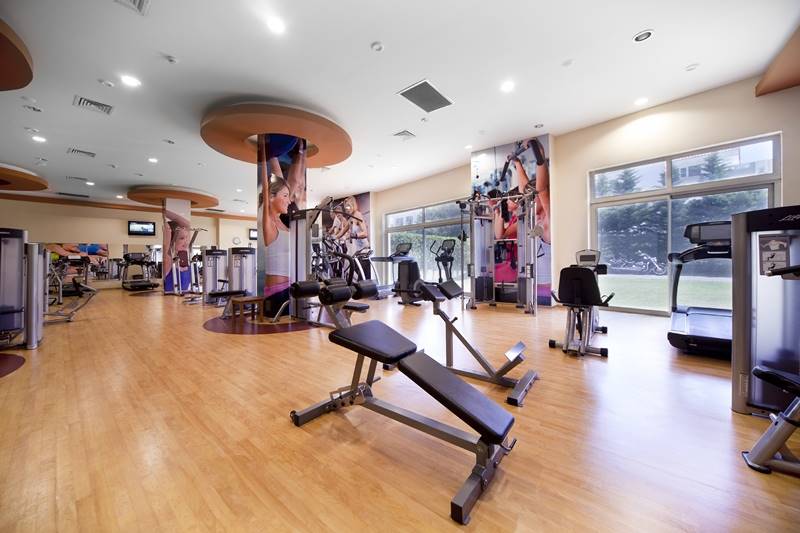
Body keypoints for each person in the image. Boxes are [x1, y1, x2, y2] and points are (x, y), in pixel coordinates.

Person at [261, 136, 306, 312]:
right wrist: (267, 154)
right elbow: (272, 187)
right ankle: (296, 151)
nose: (288, 200)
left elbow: (284, 185)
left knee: (292, 184)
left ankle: (298, 152)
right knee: (292, 184)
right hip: (277, 292)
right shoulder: (269, 220)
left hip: (291, 286)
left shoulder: (283, 223)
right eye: (285, 197)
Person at [163, 209, 192, 293]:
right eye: (182, 238)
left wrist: (165, 212)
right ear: (171, 240)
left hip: (183, 300)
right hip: (169, 300)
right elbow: (167, 230)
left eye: (186, 238)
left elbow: (187, 225)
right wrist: (163, 215)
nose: (186, 242)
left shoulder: (185, 258)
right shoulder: (168, 260)